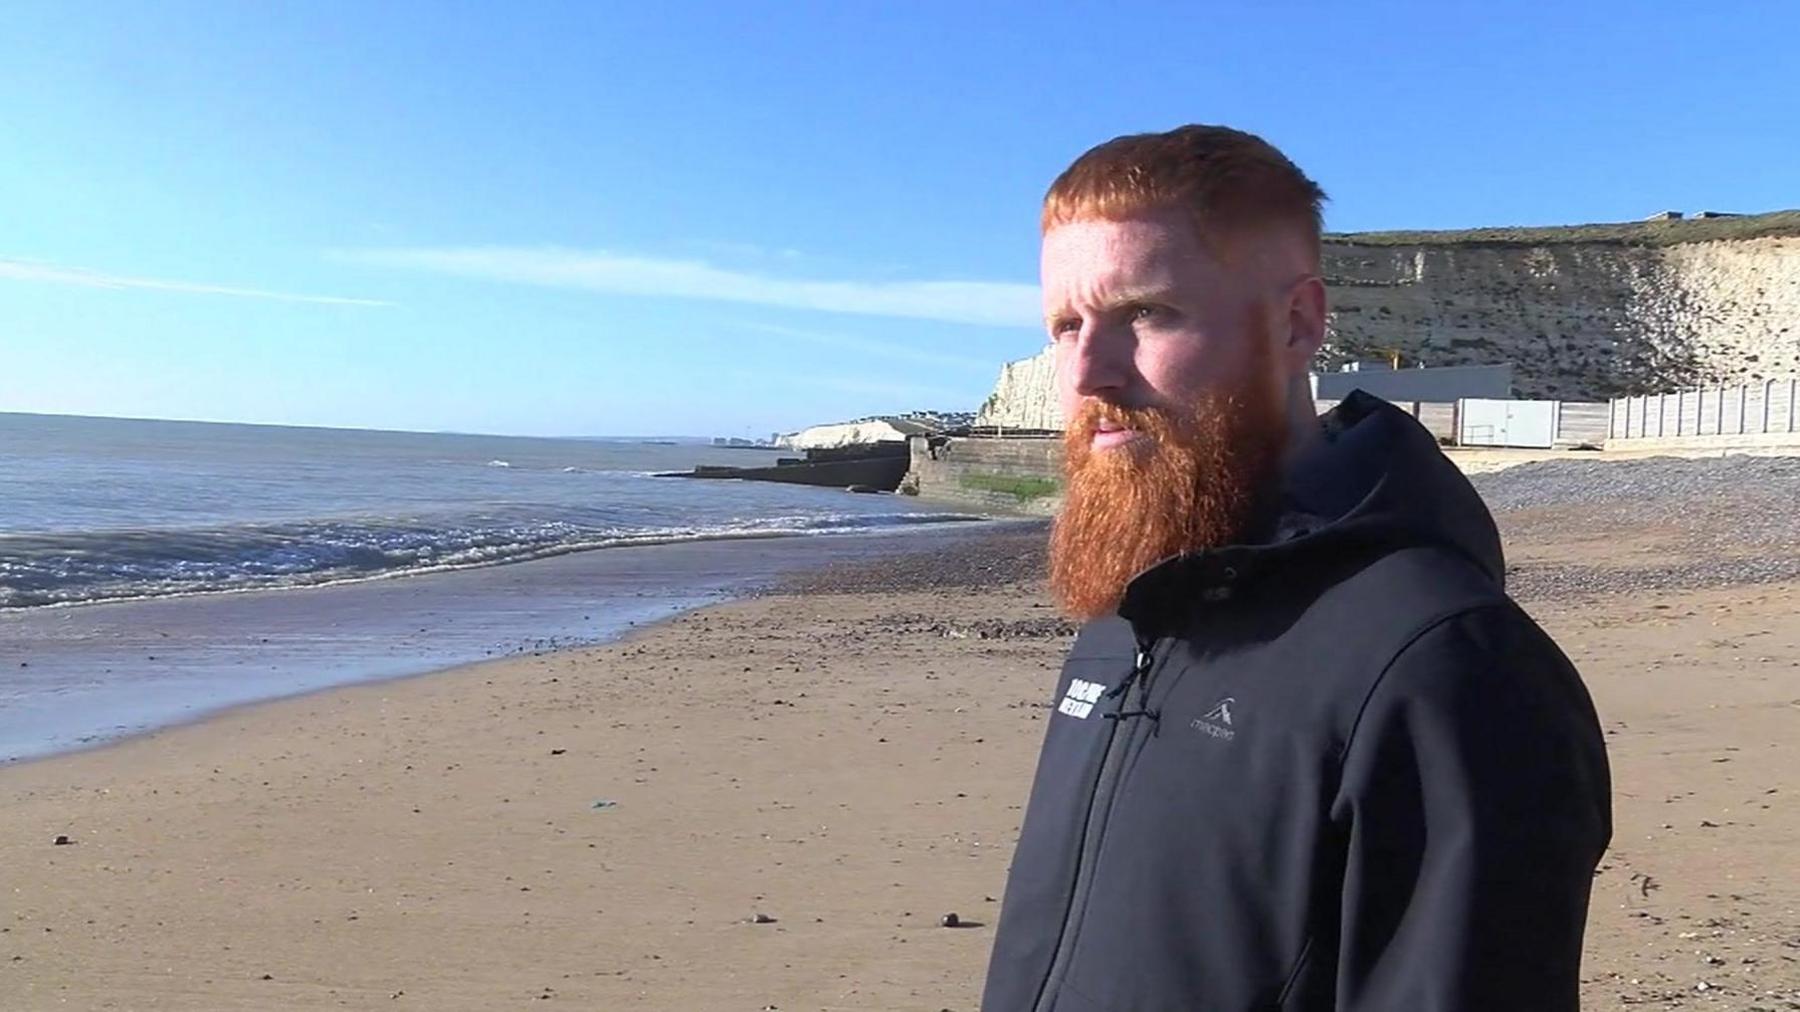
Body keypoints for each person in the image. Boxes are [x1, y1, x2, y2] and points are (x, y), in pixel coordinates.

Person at [980, 126, 1612, 1012]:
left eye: (1147, 313)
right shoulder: (1125, 615)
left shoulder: (1444, 666)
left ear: (1298, 322)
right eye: (1066, 325)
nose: (1089, 371)